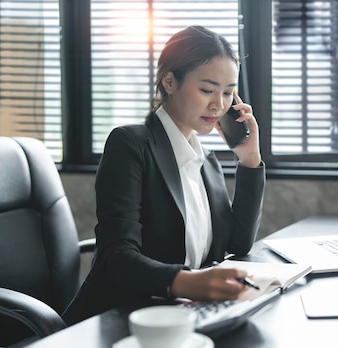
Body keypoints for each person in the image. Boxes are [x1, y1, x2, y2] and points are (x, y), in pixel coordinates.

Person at [62, 25, 265, 325]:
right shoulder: (130, 144)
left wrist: (249, 160)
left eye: (227, 93)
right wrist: (189, 282)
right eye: (207, 90)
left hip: (183, 314)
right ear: (170, 81)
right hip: (123, 316)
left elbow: (237, 245)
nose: (218, 105)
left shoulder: (205, 161)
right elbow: (115, 257)